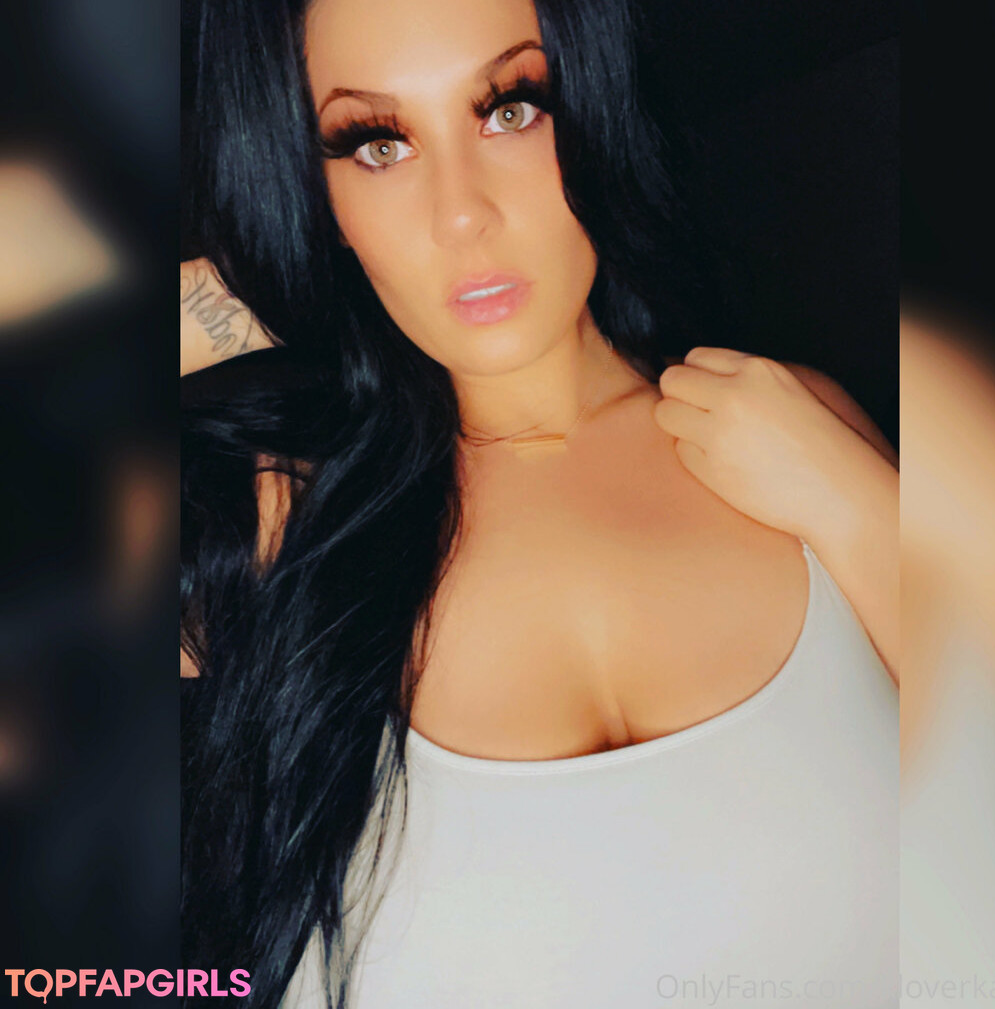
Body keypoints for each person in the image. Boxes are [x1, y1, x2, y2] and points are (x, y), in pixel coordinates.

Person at [181, 0, 899, 1005]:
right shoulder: (278, 525)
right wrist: (263, 273)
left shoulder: (798, 439)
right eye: (377, 143)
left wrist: (867, 512)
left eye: (510, 109)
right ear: (313, 185)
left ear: (593, 107)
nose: (461, 214)